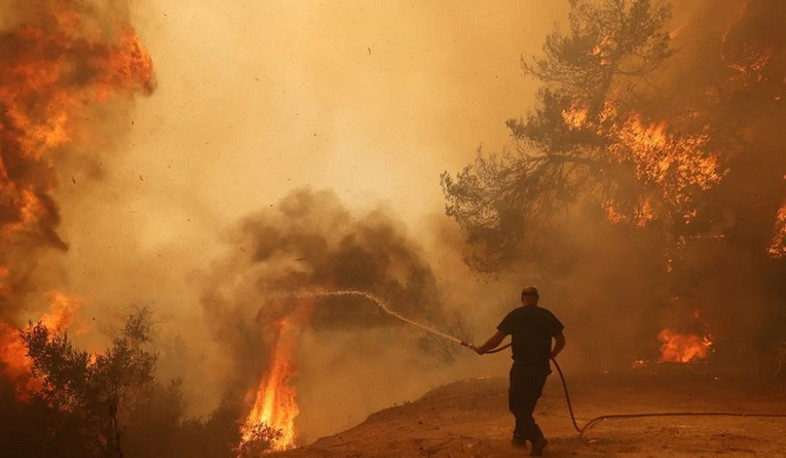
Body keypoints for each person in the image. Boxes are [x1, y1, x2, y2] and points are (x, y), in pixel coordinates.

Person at [473, 286, 565, 456]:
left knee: (516, 405)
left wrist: (482, 349)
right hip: (541, 368)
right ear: (537, 298)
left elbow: (496, 340)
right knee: (527, 404)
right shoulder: (546, 315)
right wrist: (552, 354)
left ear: (522, 298)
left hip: (522, 367)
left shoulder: (515, 315)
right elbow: (560, 340)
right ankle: (519, 440)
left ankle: (537, 438)